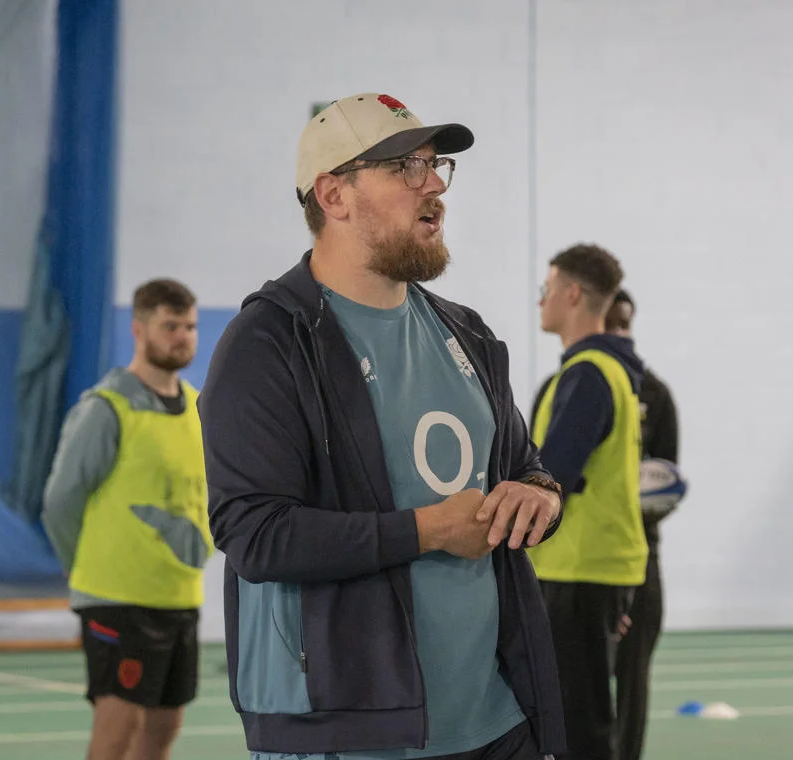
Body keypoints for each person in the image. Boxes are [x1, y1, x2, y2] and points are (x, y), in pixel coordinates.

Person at [200, 92, 566, 760]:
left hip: (496, 720)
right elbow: (253, 534)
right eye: (404, 168)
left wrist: (540, 492)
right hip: (350, 732)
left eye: (435, 166)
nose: (433, 186)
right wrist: (427, 531)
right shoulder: (270, 342)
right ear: (333, 194)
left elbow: (523, 466)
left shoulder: (467, 334)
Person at [42, 278, 210, 760]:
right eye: (170, 325)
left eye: (190, 326)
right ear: (139, 329)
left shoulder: (200, 409)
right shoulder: (106, 407)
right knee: (117, 731)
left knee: (163, 729)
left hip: (178, 594)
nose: (183, 336)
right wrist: (87, 570)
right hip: (117, 598)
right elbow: (60, 502)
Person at [526, 245, 647, 760]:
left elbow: (551, 478)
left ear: (571, 294)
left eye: (546, 290)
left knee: (579, 730)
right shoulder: (609, 370)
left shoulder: (589, 374)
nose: (541, 302)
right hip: (596, 570)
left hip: (578, 572)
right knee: (587, 720)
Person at [605, 290, 678, 760]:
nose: (618, 333)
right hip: (584, 567)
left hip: (640, 559)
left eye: (623, 323)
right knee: (578, 686)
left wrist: (639, 502)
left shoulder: (655, 394)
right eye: (610, 322)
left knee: (634, 682)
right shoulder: (566, 386)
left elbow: (667, 483)